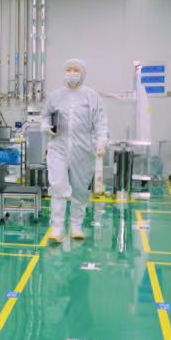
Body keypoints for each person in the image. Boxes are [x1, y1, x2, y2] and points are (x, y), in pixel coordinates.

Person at [41, 58, 108, 242]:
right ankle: (57, 228)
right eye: (68, 69)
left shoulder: (92, 96)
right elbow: (45, 115)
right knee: (57, 186)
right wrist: (45, 126)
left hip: (83, 148)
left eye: (75, 69)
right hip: (58, 146)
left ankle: (76, 226)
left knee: (80, 188)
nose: (72, 73)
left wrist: (101, 141)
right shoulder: (55, 95)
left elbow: (100, 122)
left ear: (83, 73)